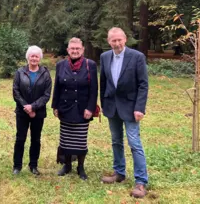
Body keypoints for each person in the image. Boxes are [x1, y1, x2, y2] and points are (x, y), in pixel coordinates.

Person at [100, 27, 149, 198]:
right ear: (109, 41)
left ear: (125, 39)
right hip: (112, 107)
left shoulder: (137, 57)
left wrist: (139, 108)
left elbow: (143, 84)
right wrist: (104, 104)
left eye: (119, 39)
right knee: (116, 141)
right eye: (113, 40)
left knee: (134, 143)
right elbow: (104, 83)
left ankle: (141, 182)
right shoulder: (105, 57)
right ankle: (119, 173)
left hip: (130, 107)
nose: (117, 43)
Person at [51, 37, 98, 180]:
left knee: (80, 140)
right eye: (72, 49)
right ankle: (67, 166)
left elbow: (94, 89)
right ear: (68, 50)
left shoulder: (90, 65)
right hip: (65, 107)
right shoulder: (61, 65)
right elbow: (57, 87)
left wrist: (90, 108)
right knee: (65, 139)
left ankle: (80, 167)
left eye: (78, 48)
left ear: (82, 50)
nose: (75, 51)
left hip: (82, 109)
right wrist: (55, 106)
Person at [12, 46, 52, 176]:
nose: (34, 58)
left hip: (38, 112)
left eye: (36, 56)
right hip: (22, 111)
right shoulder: (19, 72)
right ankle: (17, 166)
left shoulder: (45, 74)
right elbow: (16, 92)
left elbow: (46, 95)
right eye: (32, 56)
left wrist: (33, 107)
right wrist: (26, 107)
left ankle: (33, 165)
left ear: (40, 58)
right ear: (28, 57)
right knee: (20, 139)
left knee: (36, 139)